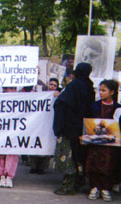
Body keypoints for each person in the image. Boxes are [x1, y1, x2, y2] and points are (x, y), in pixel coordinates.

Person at [53, 62, 95, 195]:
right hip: (82, 128)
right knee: (79, 155)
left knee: (68, 156)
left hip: (69, 128)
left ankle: (68, 186)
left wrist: (58, 98)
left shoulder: (73, 86)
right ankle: (78, 181)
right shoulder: (89, 86)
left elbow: (62, 104)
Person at [85, 80, 120, 201]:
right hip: (95, 142)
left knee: (108, 164)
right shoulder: (94, 106)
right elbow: (88, 124)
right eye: (99, 90)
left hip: (110, 144)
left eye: (103, 90)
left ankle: (105, 188)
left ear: (112, 92)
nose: (100, 93)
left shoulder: (117, 108)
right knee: (93, 163)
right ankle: (94, 187)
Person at [0, 87, 19, 188]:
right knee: (0, 150)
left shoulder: (19, 92)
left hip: (14, 125)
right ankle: (1, 175)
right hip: (0, 125)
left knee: (12, 151)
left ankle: (9, 176)